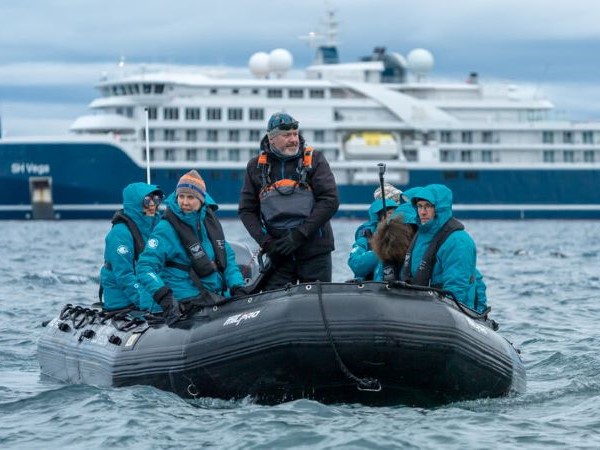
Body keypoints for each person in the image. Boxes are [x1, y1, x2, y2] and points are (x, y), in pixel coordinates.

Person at [238, 112, 339, 289]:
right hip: (279, 254)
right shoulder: (255, 167)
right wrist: (266, 243)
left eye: (295, 134)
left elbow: (330, 200)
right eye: (286, 135)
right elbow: (247, 210)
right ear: (271, 139)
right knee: (274, 307)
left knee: (317, 306)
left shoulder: (315, 159)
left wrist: (300, 234)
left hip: (315, 252)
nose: (294, 139)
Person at [137, 170, 247, 324]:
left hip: (210, 298)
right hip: (182, 302)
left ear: (201, 200)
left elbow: (227, 259)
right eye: (181, 196)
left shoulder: (208, 224)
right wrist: (165, 297)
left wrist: (237, 286)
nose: (185, 202)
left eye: (190, 197)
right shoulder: (166, 229)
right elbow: (145, 267)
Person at [399, 184, 488, 313]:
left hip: (452, 313)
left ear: (440, 208)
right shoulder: (421, 235)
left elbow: (456, 290)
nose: (422, 212)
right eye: (419, 206)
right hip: (422, 306)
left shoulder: (458, 241)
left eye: (428, 206)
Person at [100, 182, 164, 311]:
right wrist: (151, 304)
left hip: (150, 293)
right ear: (134, 204)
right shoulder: (119, 234)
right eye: (146, 200)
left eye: (156, 199)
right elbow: (125, 277)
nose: (152, 204)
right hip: (123, 301)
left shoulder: (158, 227)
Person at [347, 198, 398, 281]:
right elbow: (356, 264)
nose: (393, 217)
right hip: (369, 288)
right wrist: (380, 252)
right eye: (389, 213)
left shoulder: (403, 236)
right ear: (379, 217)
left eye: (396, 213)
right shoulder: (366, 237)